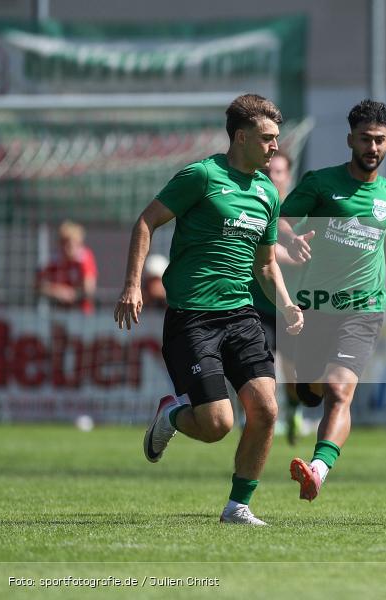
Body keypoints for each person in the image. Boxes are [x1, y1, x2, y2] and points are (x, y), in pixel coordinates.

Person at [114, 94, 304, 526]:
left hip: (242, 316)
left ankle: (238, 507)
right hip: (193, 318)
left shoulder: (267, 193)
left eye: (276, 138)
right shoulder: (201, 175)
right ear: (241, 137)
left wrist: (287, 304)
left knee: (266, 409)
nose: (275, 146)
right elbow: (146, 221)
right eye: (267, 138)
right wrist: (132, 284)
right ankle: (172, 414)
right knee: (217, 424)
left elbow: (265, 264)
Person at [282, 99, 386, 502]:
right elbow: (280, 220)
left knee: (339, 390)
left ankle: (318, 470)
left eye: (380, 140)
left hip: (363, 309)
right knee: (309, 391)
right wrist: (290, 239)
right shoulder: (320, 184)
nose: (372, 147)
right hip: (315, 305)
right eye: (365, 139)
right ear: (350, 140)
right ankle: (298, 406)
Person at [251, 151, 306, 445]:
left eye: (279, 171)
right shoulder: (255, 205)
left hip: (294, 306)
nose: (272, 176)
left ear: (288, 175)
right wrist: (285, 255)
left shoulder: (300, 212)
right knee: (260, 369)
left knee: (292, 372)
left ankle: (294, 408)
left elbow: (311, 252)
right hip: (259, 303)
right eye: (268, 171)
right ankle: (256, 421)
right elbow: (260, 252)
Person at [37, 220, 98, 314]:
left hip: (81, 313)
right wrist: (58, 291)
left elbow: (89, 289)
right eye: (63, 243)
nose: (66, 248)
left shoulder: (84, 259)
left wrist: (73, 294)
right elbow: (38, 285)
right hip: (59, 313)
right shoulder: (55, 260)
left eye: (70, 244)